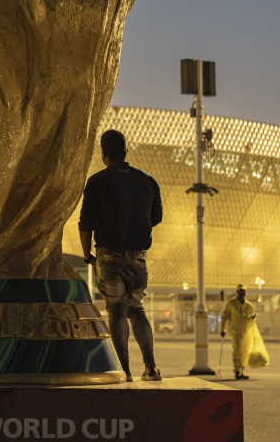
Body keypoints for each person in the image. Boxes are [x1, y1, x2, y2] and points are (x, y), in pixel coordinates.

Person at [79, 129, 164, 382]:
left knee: (116, 310)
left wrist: (87, 256)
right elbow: (156, 218)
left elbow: (85, 223)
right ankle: (150, 367)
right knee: (137, 310)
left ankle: (123, 371)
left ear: (104, 154)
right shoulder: (147, 181)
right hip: (138, 259)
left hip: (109, 258)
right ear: (126, 152)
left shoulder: (97, 182)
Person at [220, 284, 256, 380]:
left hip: (245, 332)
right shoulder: (231, 304)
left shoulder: (249, 305)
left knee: (244, 351)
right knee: (237, 351)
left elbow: (249, 319)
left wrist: (252, 319)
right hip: (235, 331)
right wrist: (222, 329)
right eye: (240, 292)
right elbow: (224, 317)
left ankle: (242, 371)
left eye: (243, 292)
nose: (242, 294)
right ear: (237, 293)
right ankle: (236, 370)